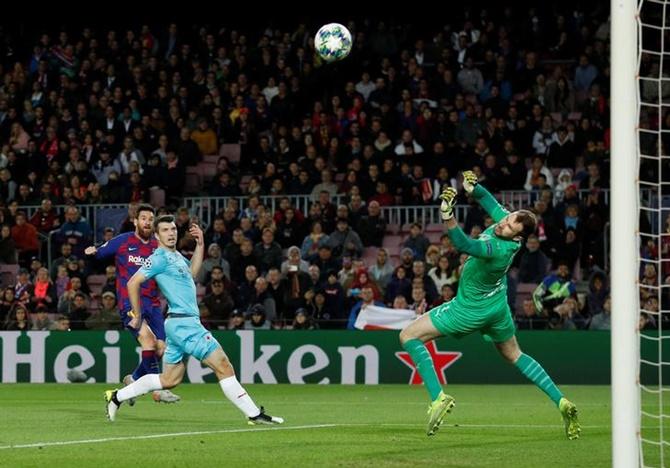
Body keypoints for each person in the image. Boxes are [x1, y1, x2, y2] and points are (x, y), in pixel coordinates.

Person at [398, 171, 580, 439]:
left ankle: (438, 397)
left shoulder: (497, 249)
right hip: (497, 305)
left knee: (408, 336)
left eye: (509, 226)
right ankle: (562, 402)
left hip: (469, 309)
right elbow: (493, 205)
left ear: (517, 237)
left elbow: (462, 243)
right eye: (507, 219)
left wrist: (447, 214)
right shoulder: (510, 230)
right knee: (515, 355)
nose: (503, 223)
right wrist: (473, 188)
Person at [105, 215, 283, 426]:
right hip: (184, 324)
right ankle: (254, 414)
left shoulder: (176, 256)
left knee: (169, 380)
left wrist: (200, 244)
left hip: (178, 323)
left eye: (173, 229)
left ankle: (117, 397)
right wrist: (137, 314)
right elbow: (133, 282)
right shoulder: (159, 257)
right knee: (224, 366)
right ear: (156, 235)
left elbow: (191, 273)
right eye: (165, 230)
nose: (171, 233)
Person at [85, 204, 179, 404]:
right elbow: (100, 253)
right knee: (148, 342)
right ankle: (157, 390)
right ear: (135, 221)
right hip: (130, 304)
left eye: (151, 218)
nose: (148, 222)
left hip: (153, 305)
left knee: (161, 348)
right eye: (144, 218)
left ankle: (133, 380)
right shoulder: (122, 241)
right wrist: (93, 250)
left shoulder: (158, 245)